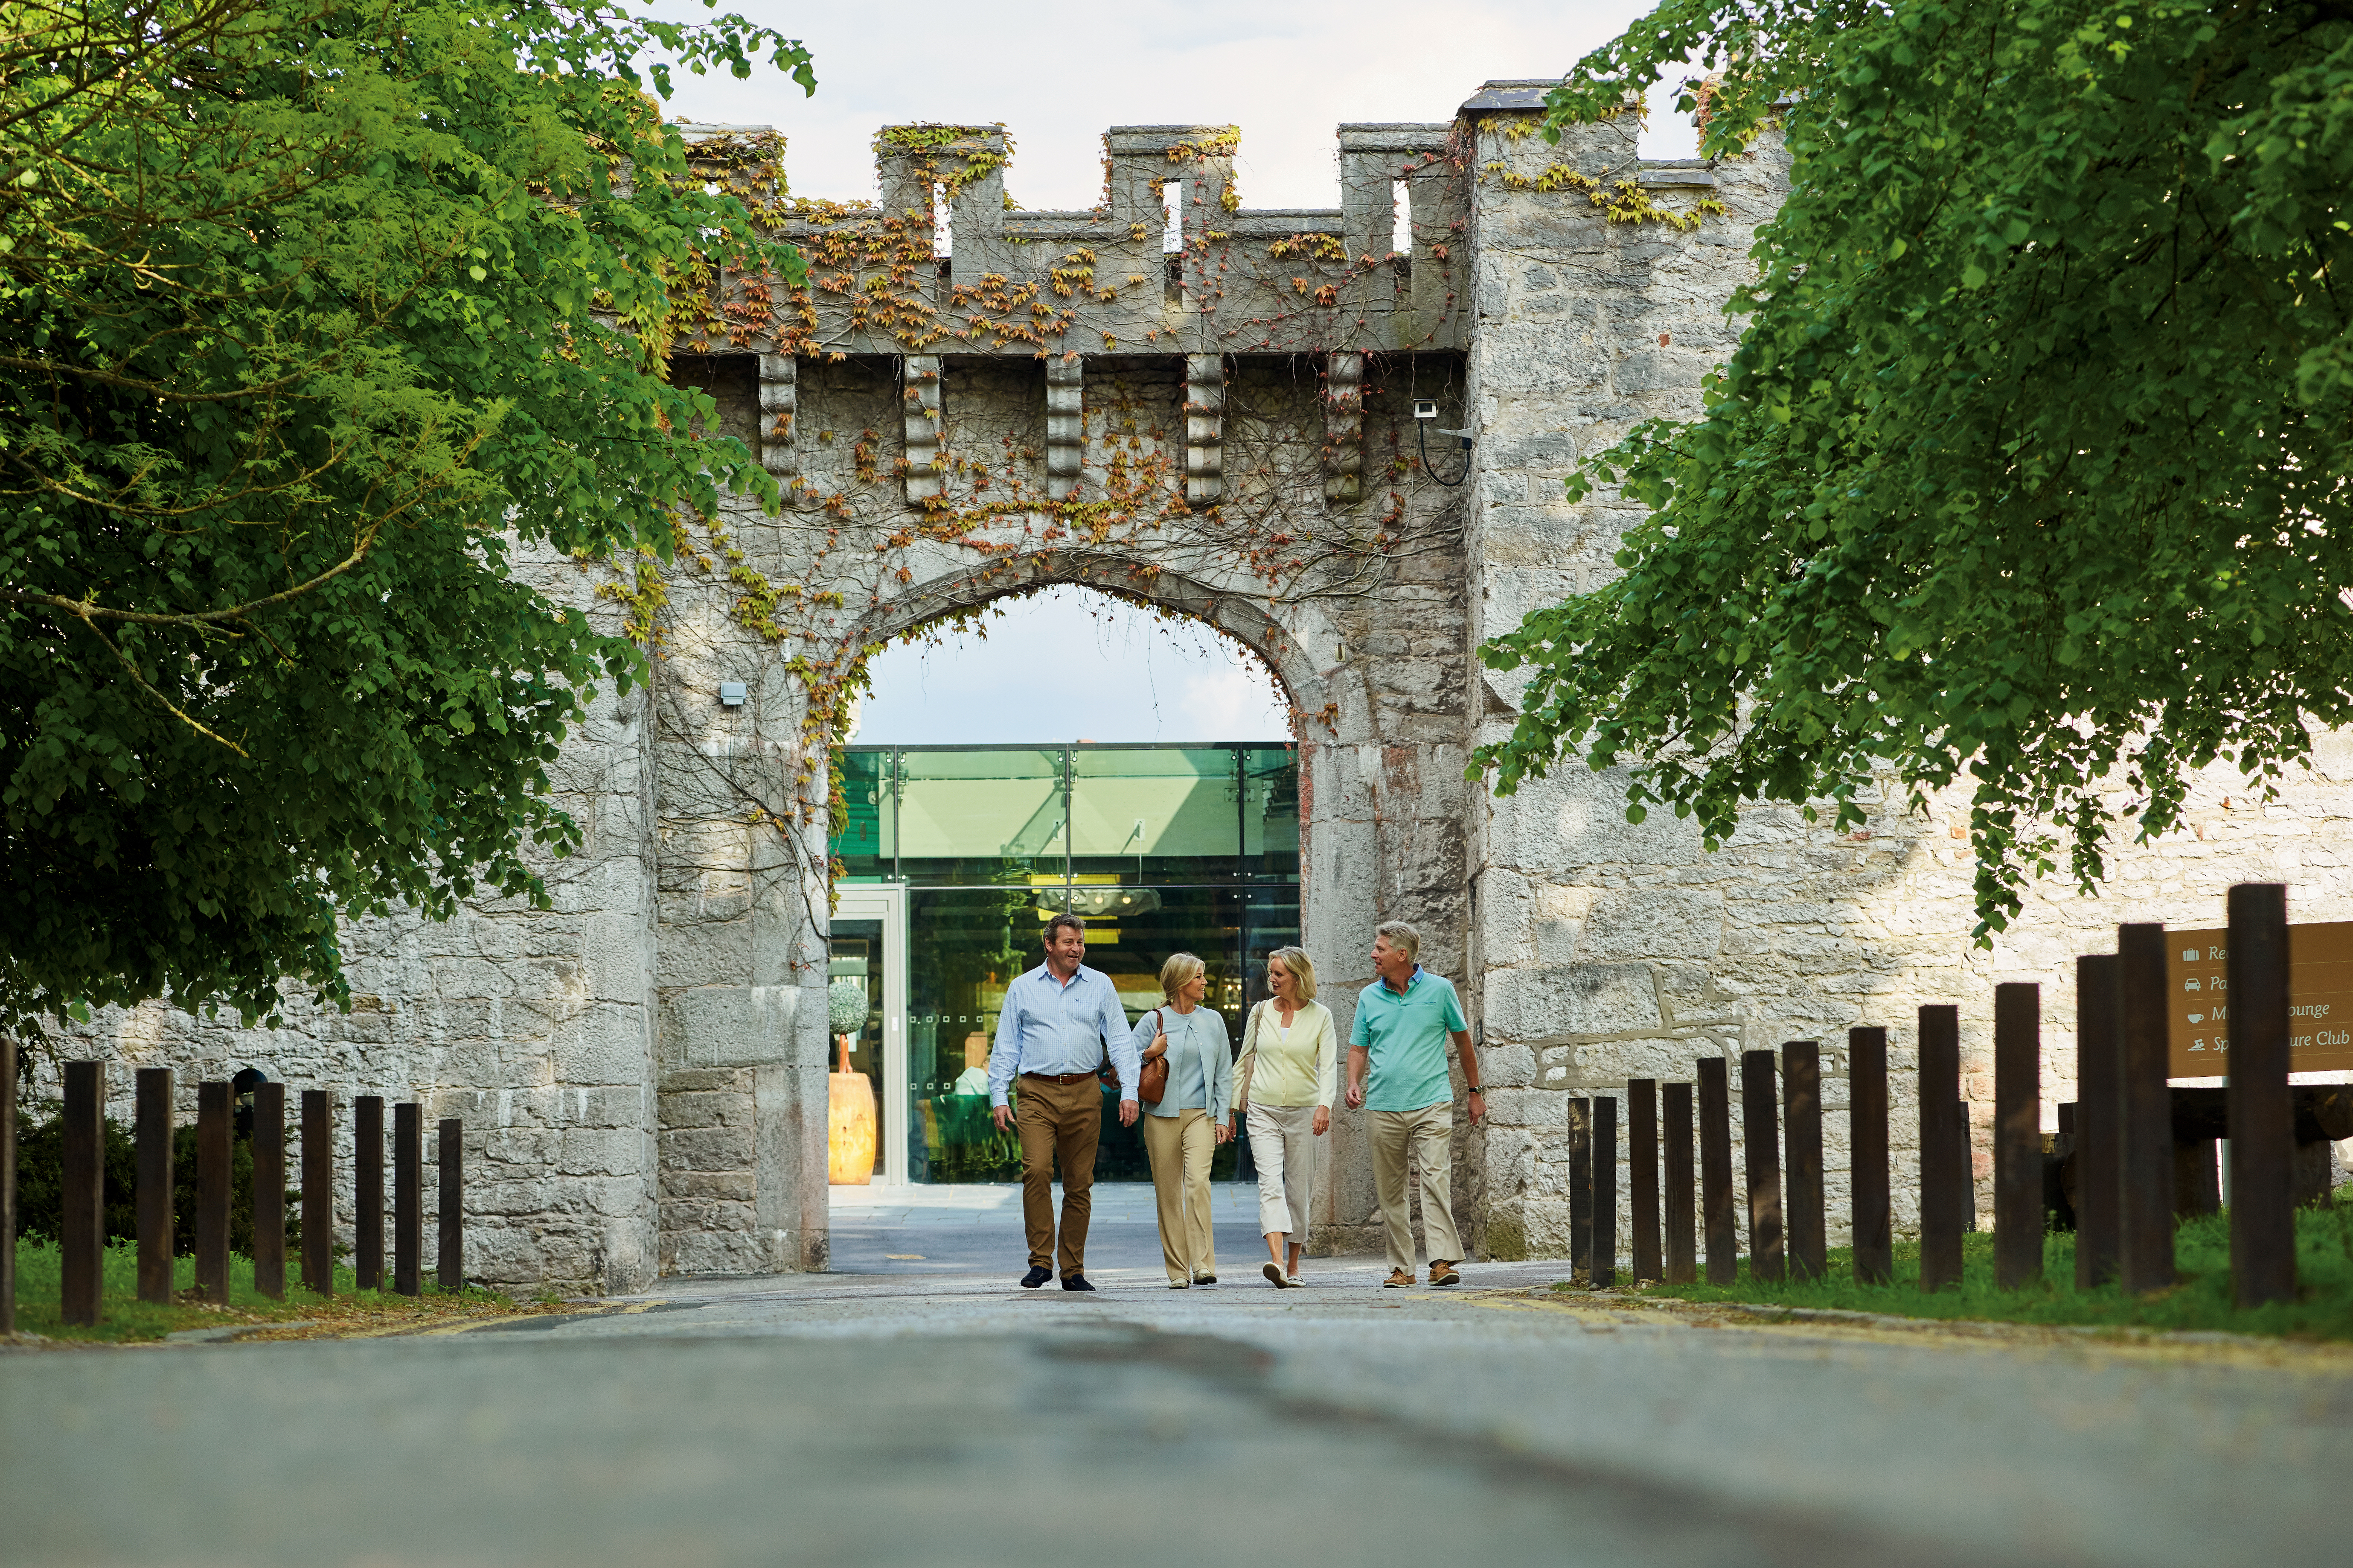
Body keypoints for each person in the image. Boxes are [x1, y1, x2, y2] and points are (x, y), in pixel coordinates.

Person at [989, 913, 1139, 1291]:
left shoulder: (1100, 985)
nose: (1076, 949)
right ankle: (1040, 1262)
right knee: (1037, 1171)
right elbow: (1006, 1047)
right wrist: (998, 1096)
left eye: (1080, 942)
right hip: (1036, 1092)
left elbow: (1120, 1041)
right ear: (1049, 945)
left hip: (1085, 1091)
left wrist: (1131, 1092)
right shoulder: (1022, 988)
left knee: (1079, 1184)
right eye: (1069, 942)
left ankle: (1072, 1269)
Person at [1345, 920, 1484, 1288]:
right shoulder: (1368, 997)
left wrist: (1475, 1091)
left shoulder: (1440, 990)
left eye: (1380, 949)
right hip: (1383, 1105)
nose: (1373, 955)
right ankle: (1401, 1268)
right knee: (1391, 1189)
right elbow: (1359, 1048)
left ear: (1401, 955)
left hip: (1431, 1102)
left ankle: (1441, 1262)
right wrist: (1353, 1083)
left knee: (1435, 1180)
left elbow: (1463, 1042)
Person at [1235, 946, 1336, 1287]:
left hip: (1305, 1112)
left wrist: (1325, 1105)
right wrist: (1233, 1106)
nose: (1272, 979)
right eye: (1271, 973)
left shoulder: (1321, 1016)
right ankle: (1276, 1262)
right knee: (1270, 1185)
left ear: (1297, 977)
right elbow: (1245, 1057)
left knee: (1298, 1190)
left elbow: (1328, 1067)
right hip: (1263, 1110)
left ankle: (1294, 1265)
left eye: (1279, 974)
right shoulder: (1260, 1012)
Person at [1135, 951, 1233, 1288]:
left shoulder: (1213, 1020)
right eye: (1198, 977)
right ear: (1180, 982)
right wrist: (1149, 1053)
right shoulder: (1153, 1021)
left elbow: (1224, 1072)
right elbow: (1125, 1063)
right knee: (1167, 1192)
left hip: (1202, 1116)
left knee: (1197, 1185)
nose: (1205, 982)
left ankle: (1203, 1264)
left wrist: (1223, 1115)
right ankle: (1178, 1270)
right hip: (1161, 1116)